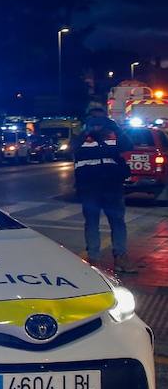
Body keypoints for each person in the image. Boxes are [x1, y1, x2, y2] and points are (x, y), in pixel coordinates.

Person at [75, 104, 136, 275]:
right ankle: (94, 259)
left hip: (112, 186)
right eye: (94, 118)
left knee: (117, 222)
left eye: (101, 118)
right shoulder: (81, 136)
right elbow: (72, 151)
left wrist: (114, 127)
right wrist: (85, 132)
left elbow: (128, 145)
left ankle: (121, 257)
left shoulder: (113, 133)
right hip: (90, 187)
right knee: (92, 223)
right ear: (87, 119)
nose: (97, 122)